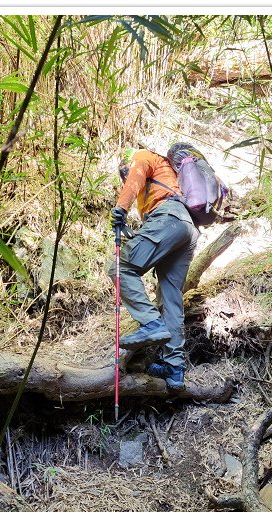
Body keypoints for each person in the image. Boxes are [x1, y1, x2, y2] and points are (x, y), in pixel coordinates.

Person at [108, 148, 199, 391]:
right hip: (187, 228)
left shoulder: (144, 156)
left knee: (120, 267)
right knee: (170, 297)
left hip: (168, 218)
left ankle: (151, 323)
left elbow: (136, 175)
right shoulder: (170, 174)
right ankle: (174, 368)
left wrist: (121, 208)